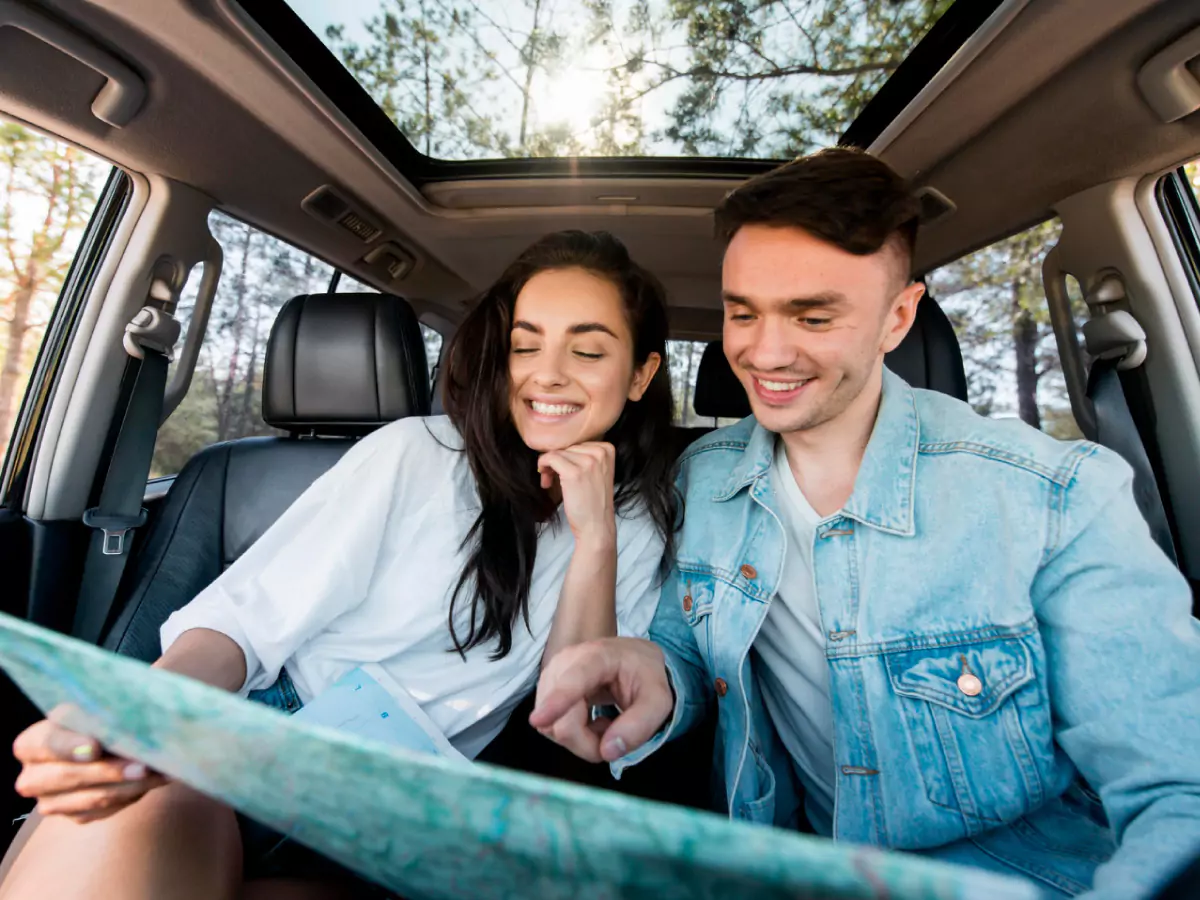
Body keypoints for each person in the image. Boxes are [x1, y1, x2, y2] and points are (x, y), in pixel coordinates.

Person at [530, 149, 1200, 900]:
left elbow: (1182, 793)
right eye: (742, 312)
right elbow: (688, 649)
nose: (765, 352)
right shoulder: (705, 478)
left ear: (898, 317)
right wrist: (652, 673)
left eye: (812, 316)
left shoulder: (1055, 498)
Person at [1, 230, 680, 900]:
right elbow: (242, 625)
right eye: (525, 345)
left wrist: (595, 536)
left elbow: (569, 709)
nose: (548, 372)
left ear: (642, 374)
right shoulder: (417, 455)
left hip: (393, 812)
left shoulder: (639, 527)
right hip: (266, 733)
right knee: (132, 811)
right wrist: (142, 711)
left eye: (587, 350)